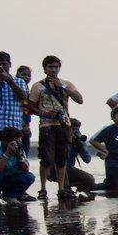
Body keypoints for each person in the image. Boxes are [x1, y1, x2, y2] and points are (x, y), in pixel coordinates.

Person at [29, 55, 83, 201]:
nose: (53, 70)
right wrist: (44, 113)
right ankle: (43, 189)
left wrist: (62, 86)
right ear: (45, 69)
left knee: (62, 157)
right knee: (46, 158)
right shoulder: (38, 86)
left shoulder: (66, 84)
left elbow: (80, 99)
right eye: (50, 67)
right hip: (47, 124)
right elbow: (31, 106)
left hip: (64, 124)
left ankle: (61, 188)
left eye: (56, 67)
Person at [0, 52, 33, 202]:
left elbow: (25, 98)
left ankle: (15, 193)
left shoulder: (19, 81)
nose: (1, 67)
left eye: (4, 64)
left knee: (20, 162)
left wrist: (8, 80)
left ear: (10, 65)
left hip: (13, 129)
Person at [45, 118, 95, 199]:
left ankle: (68, 187)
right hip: (55, 169)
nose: (75, 132)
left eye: (77, 130)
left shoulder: (76, 142)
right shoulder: (59, 139)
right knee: (90, 179)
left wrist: (81, 144)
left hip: (68, 170)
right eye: (73, 130)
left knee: (90, 182)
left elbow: (87, 159)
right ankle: (66, 187)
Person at [0, 127, 35, 206]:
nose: (18, 144)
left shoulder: (19, 150)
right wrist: (7, 153)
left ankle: (10, 196)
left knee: (29, 177)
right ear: (4, 141)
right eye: (15, 142)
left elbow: (26, 170)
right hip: (0, 177)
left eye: (19, 142)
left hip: (9, 178)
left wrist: (19, 156)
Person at [15, 66, 32, 157]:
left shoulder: (29, 92)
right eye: (23, 74)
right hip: (19, 124)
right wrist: (24, 125)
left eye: (29, 75)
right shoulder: (15, 90)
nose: (27, 77)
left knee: (25, 152)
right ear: (17, 75)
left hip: (26, 123)